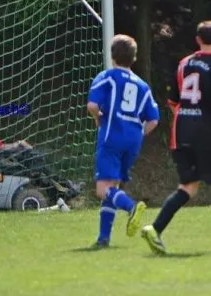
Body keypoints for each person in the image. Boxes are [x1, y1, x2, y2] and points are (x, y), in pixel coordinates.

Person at [142, 21, 211, 254]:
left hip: (181, 132)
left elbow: (173, 102)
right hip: (205, 132)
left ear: (198, 40)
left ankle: (155, 228)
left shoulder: (184, 64)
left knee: (188, 186)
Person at [87, 34, 159, 249]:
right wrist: (138, 135)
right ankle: (103, 238)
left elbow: (92, 105)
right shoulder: (143, 85)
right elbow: (153, 120)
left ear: (112, 56)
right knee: (113, 187)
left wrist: (98, 118)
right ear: (134, 58)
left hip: (112, 135)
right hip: (133, 139)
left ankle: (131, 207)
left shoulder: (107, 77)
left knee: (102, 189)